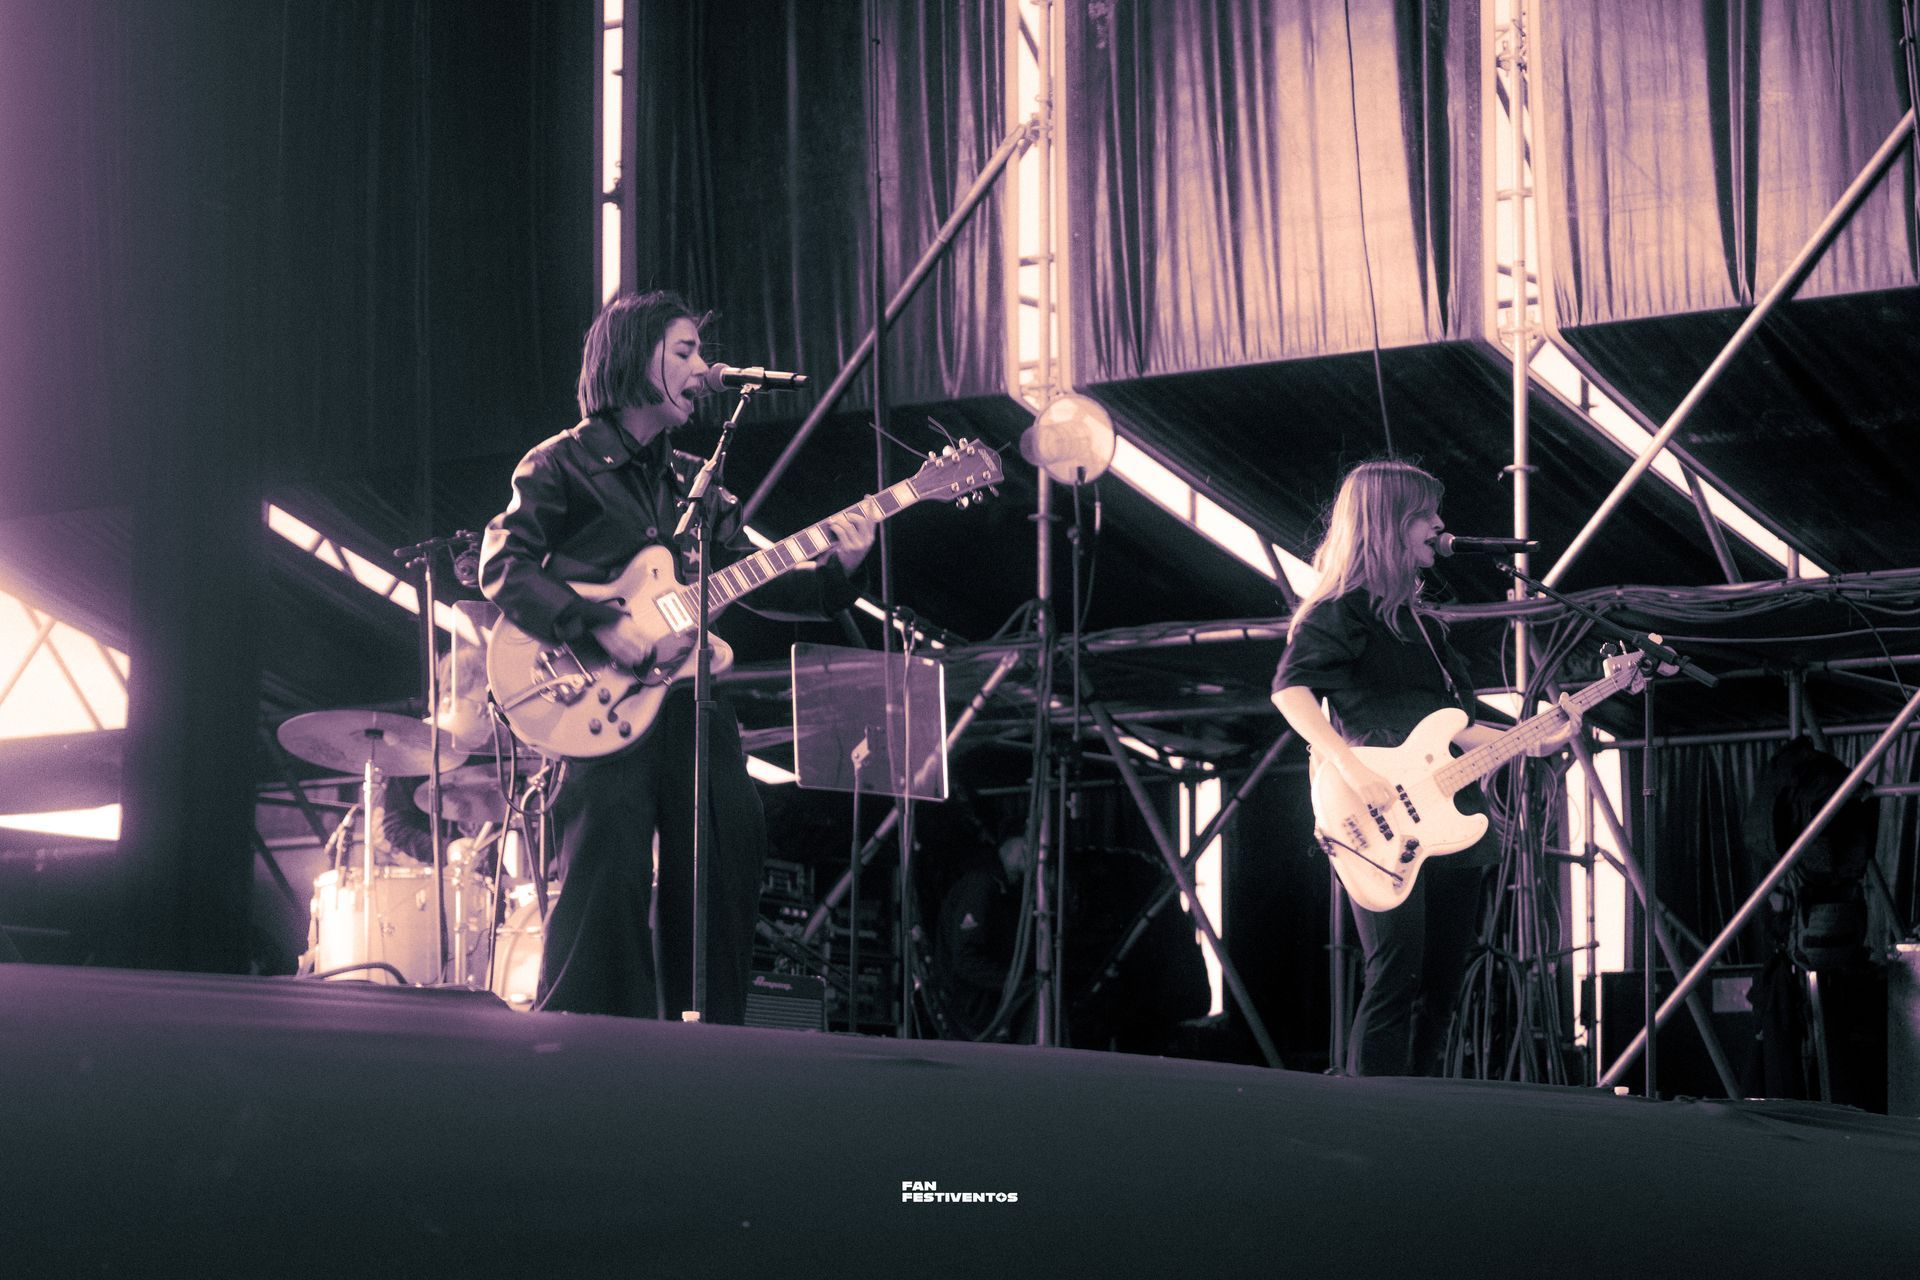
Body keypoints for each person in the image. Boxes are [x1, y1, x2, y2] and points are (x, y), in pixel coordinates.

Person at [479, 290, 874, 1022]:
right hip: (596, 700)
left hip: (691, 700)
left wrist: (836, 573)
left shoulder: (694, 479)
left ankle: (710, 1033)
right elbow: (504, 566)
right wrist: (598, 624)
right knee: (607, 870)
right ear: (634, 357)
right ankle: (589, 1039)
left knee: (728, 846)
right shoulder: (562, 463)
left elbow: (746, 580)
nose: (702, 370)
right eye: (685, 352)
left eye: (700, 354)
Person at [1270, 460, 1575, 1076]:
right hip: (1376, 810)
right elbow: (1290, 692)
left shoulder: (1426, 627)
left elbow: (1456, 726)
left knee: (1441, 982)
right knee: (1395, 973)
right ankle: (1372, 1113)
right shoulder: (1339, 611)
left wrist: (1533, 739)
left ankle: (1423, 1106)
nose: (1440, 525)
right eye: (1426, 515)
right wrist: (1350, 768)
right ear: (1388, 523)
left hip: (1448, 813)